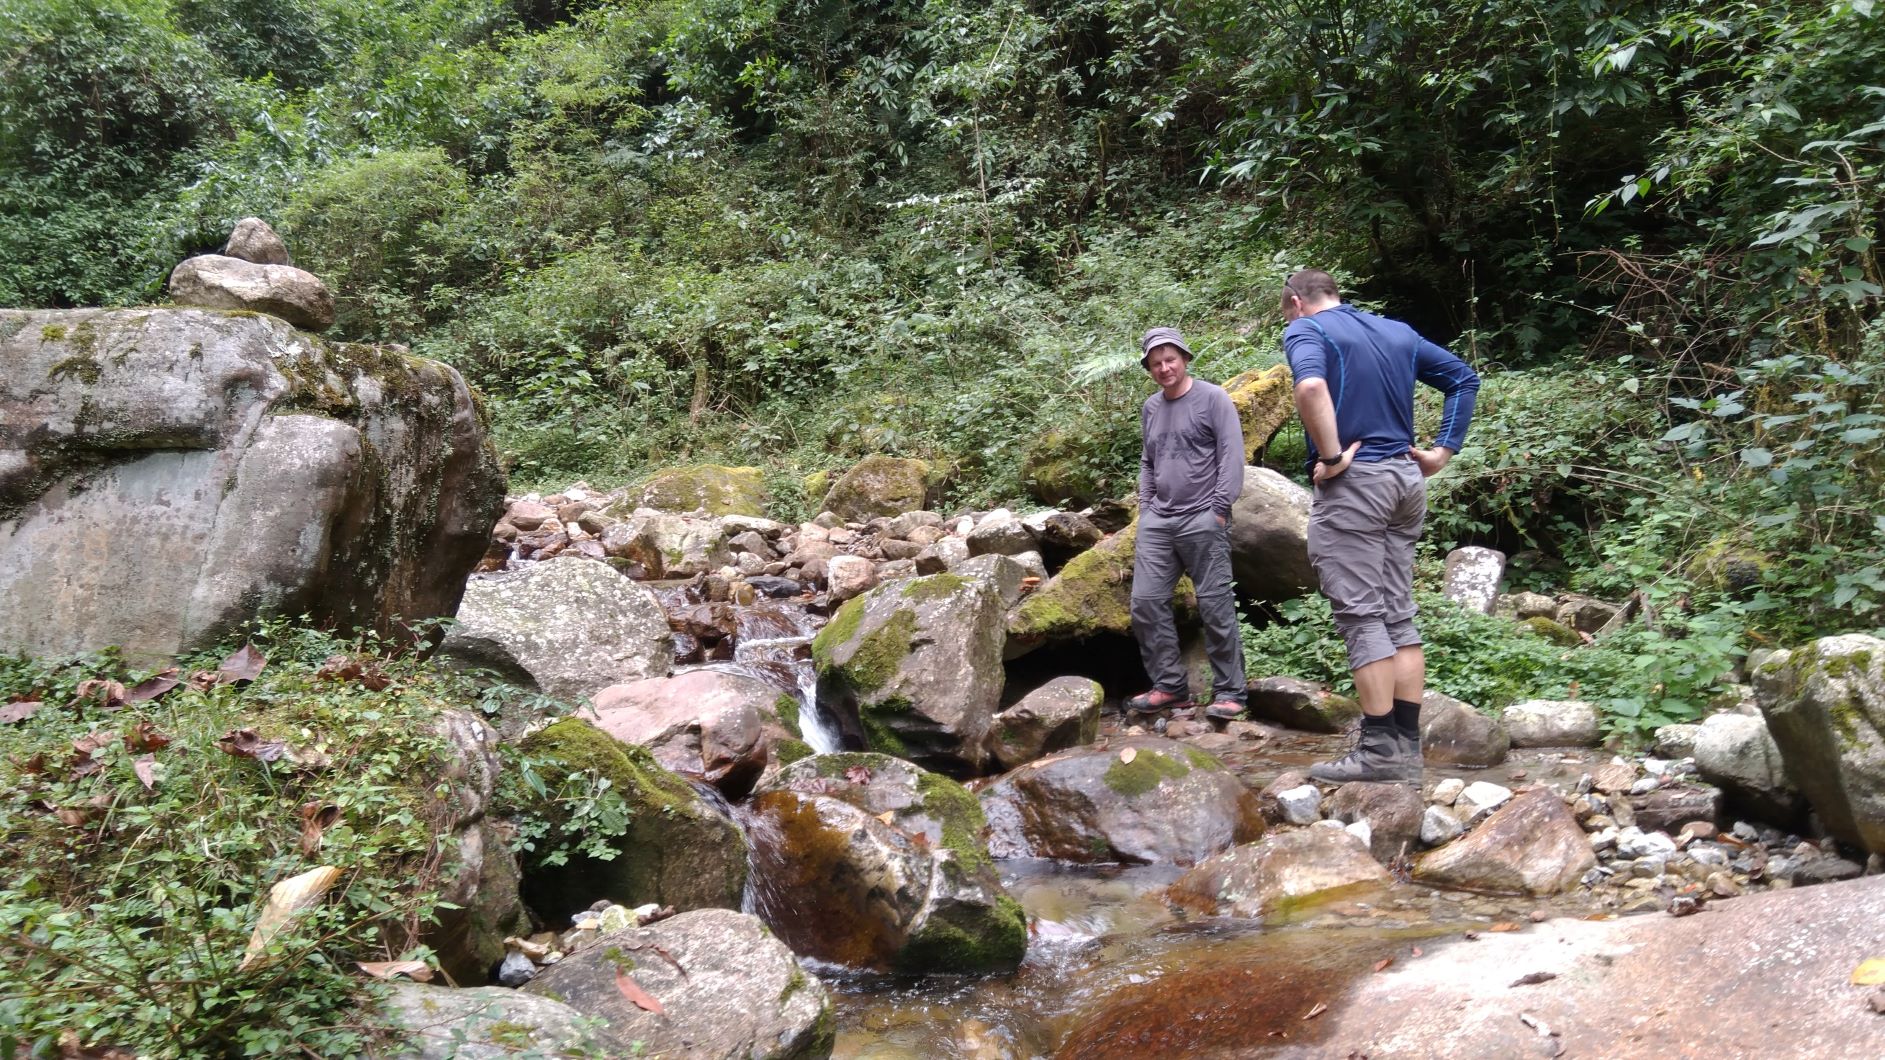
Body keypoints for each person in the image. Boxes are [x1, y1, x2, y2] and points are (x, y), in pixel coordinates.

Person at [1281, 269, 1480, 783]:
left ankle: (1376, 752)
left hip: (1357, 485)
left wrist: (1330, 456)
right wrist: (1441, 452)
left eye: (1288, 312)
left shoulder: (1308, 329)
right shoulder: (1397, 332)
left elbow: (1310, 386)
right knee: (1396, 612)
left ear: (1297, 302)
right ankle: (1406, 750)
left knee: (1361, 615)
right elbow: (1463, 378)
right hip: (1405, 482)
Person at [1125, 326, 1249, 721]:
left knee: (1214, 605)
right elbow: (1148, 460)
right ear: (1149, 367)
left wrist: (1218, 507)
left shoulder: (1213, 399)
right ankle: (1171, 688)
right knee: (1145, 602)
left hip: (1203, 517)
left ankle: (1230, 693)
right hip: (1159, 520)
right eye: (1156, 363)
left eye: (1170, 359)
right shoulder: (1151, 408)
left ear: (1184, 358)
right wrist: (1146, 507)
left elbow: (1232, 455)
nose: (1164, 368)